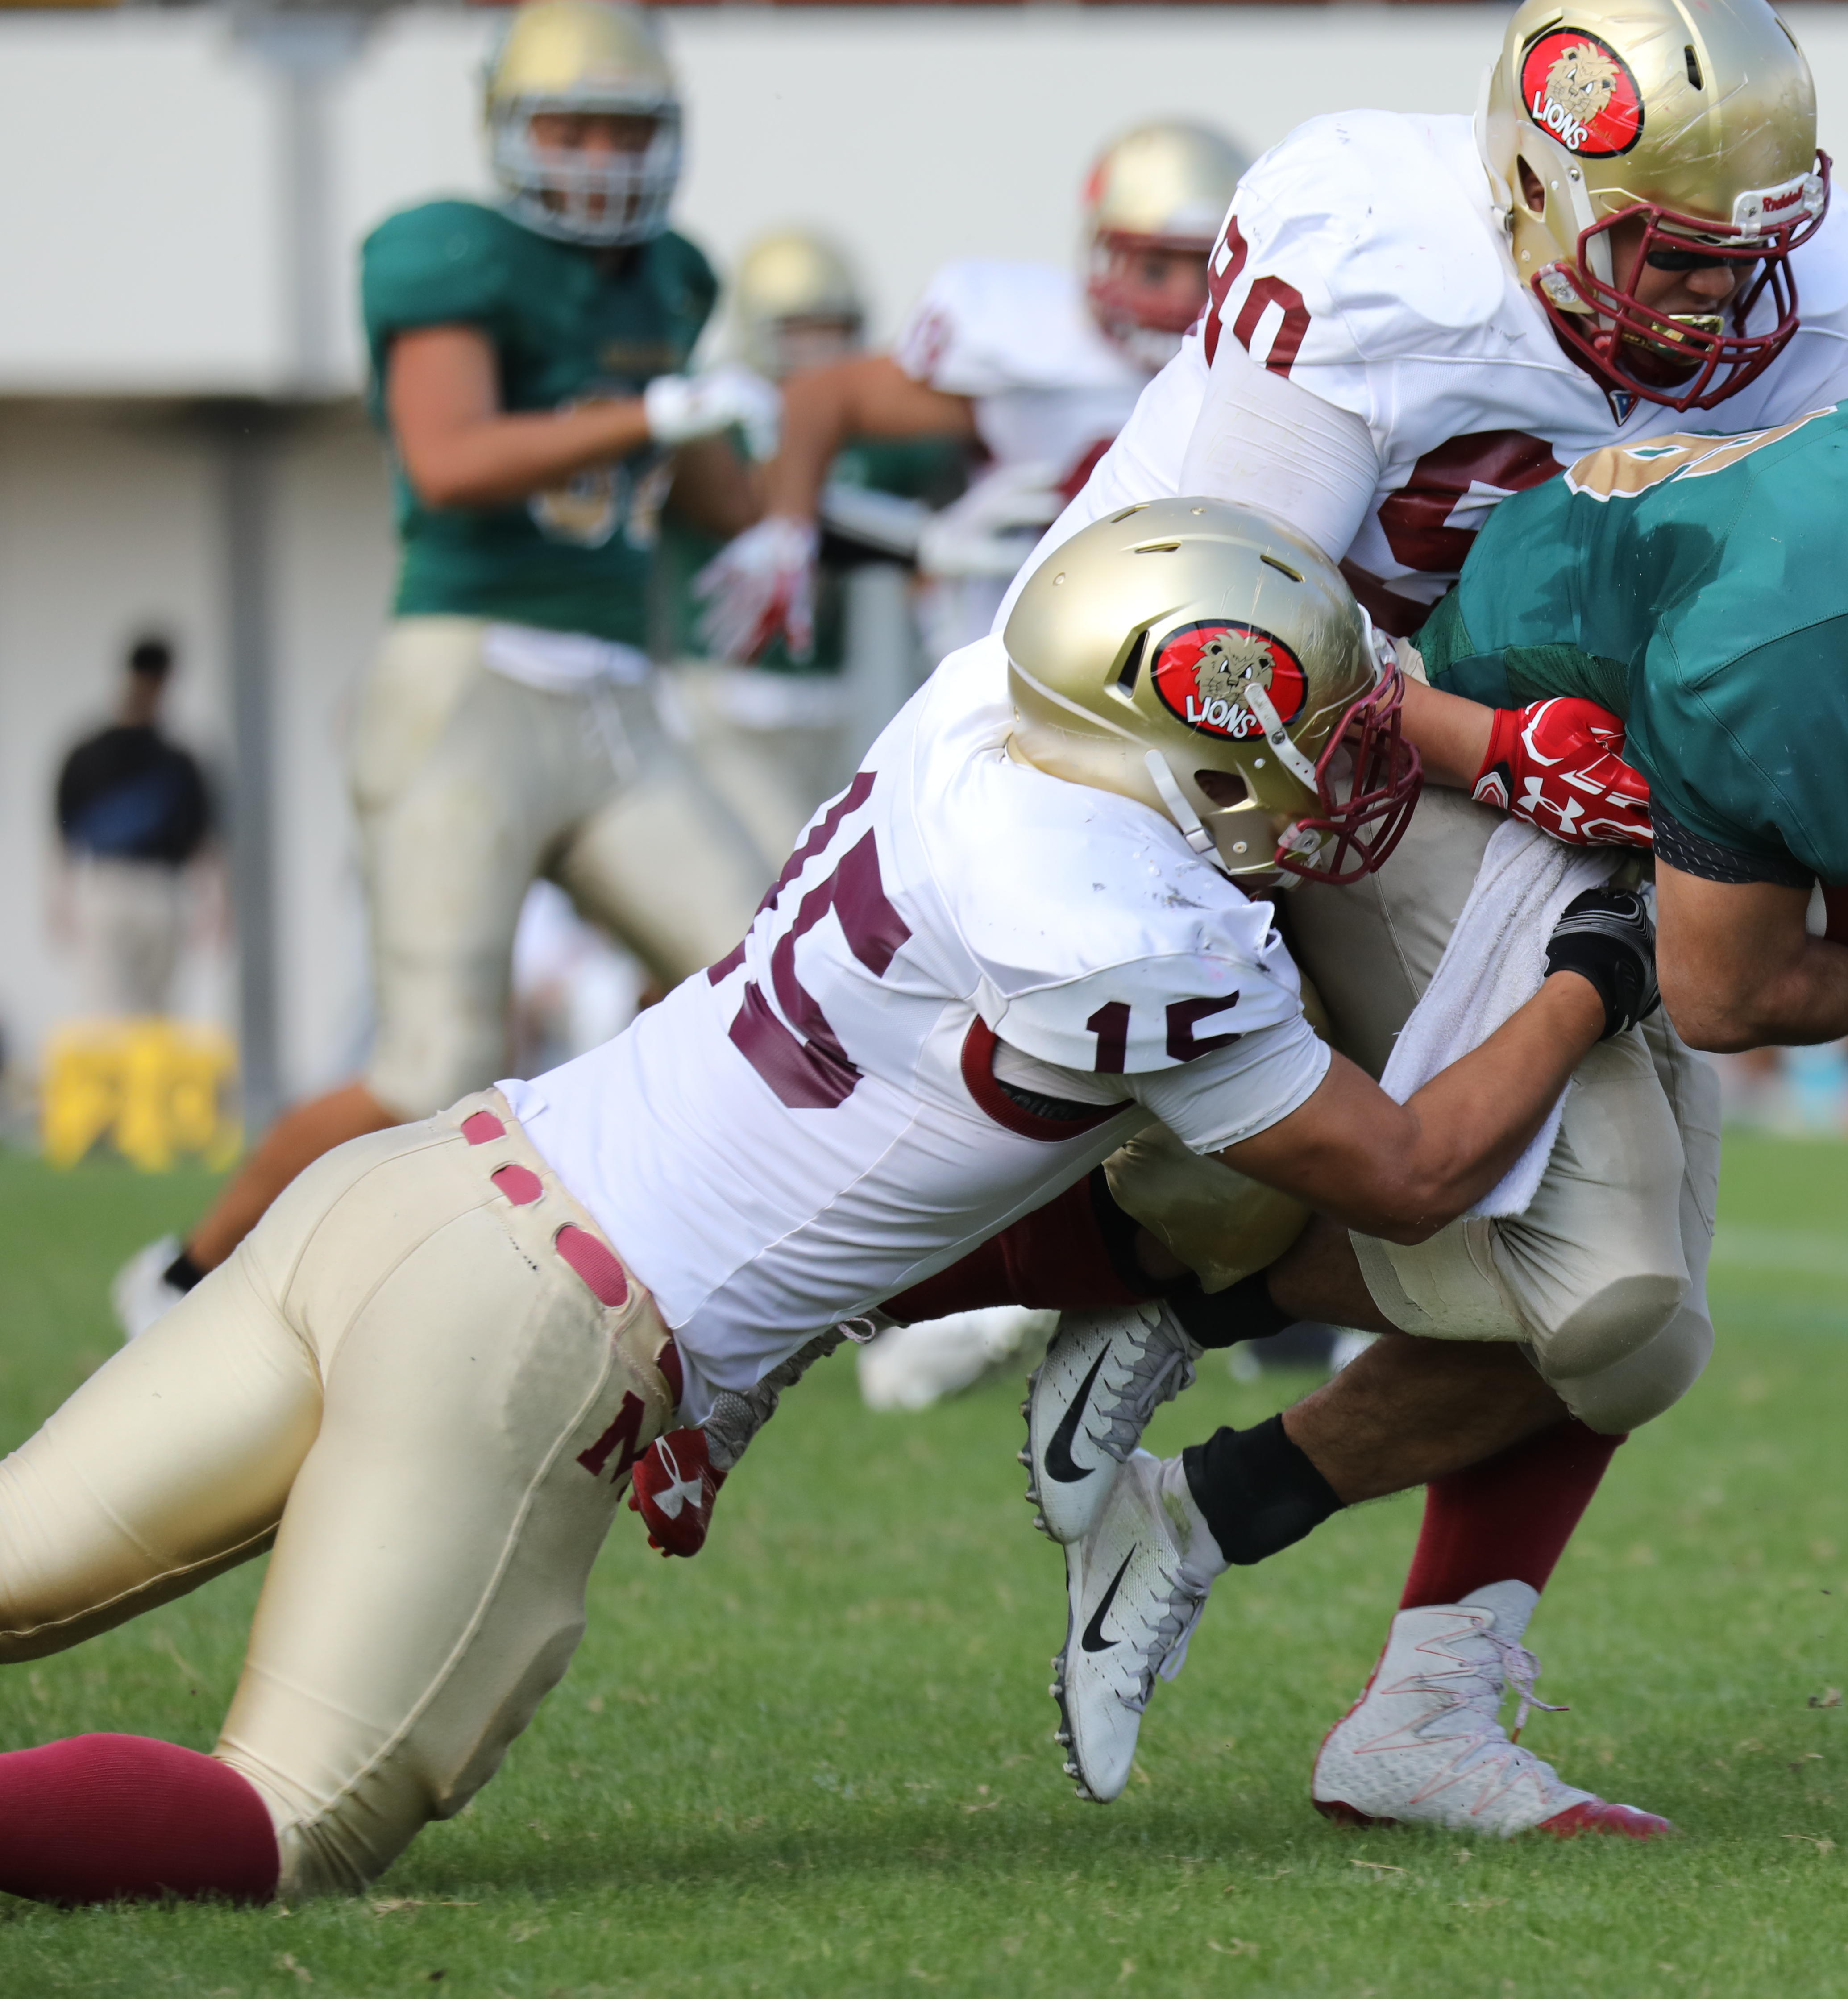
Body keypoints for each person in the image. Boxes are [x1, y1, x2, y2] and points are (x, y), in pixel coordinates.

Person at [0, 499, 1661, 1908]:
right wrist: (1595, 964)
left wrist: (1476, 744)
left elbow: (1246, 749)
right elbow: (1414, 1166)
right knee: (294, 1816)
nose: (1336, 779)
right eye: (1299, 756)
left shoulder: (980, 702)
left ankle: (1147, 1305)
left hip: (416, 1184)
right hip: (535, 1333)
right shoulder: (1131, 933)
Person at [1019, 389, 1848, 1831]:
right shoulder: (1787, 658)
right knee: (1615, 1305)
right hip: (1483, 771)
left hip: (1631, 762)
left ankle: (1354, 1654)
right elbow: (1728, 995)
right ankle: (1175, 1296)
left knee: (1640, 1336)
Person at [965, 0, 1848, 1833]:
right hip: (1252, 736)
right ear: (1543, 197)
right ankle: (1147, 1270)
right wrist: (1497, 738)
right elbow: (1228, 626)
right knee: (1582, 1271)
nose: (1721, 308)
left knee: (1636, 1325)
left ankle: (1345, 1630)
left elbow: (1795, 585)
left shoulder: (1811, 295)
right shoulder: (1381, 246)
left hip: (1539, 770)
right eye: (1677, 258)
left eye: (1749, 256)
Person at [110, 0, 781, 1338]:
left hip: (613, 700)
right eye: (570, 123)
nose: (597, 153)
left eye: (624, 126)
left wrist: (808, 520)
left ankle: (680, 1267)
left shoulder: (670, 277)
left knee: (771, 989)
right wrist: (650, 409)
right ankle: (184, 1278)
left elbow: (717, 486)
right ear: (507, 130)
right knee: (432, 1063)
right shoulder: (454, 255)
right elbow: (451, 456)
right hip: (467, 689)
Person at [698, 121, 1250, 672]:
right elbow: (821, 397)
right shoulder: (1028, 346)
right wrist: (788, 532)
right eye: (1156, 268)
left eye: (1202, 268)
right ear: (1103, 252)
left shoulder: (1263, 365)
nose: (1181, 296)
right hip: (1014, 663)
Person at [656, 226, 967, 858]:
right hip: (721, 696)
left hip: (833, 695)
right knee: (767, 880)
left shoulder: (874, 433)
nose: (820, 352)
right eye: (800, 331)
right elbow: (745, 511)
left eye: (835, 330)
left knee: (824, 873)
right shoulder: (720, 420)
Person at [52, 635, 215, 1020]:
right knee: (106, 1013)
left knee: (157, 1014)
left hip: (161, 888)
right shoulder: (90, 753)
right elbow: (64, 831)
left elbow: (203, 836)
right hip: (108, 885)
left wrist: (212, 898)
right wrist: (61, 896)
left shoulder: (177, 759)